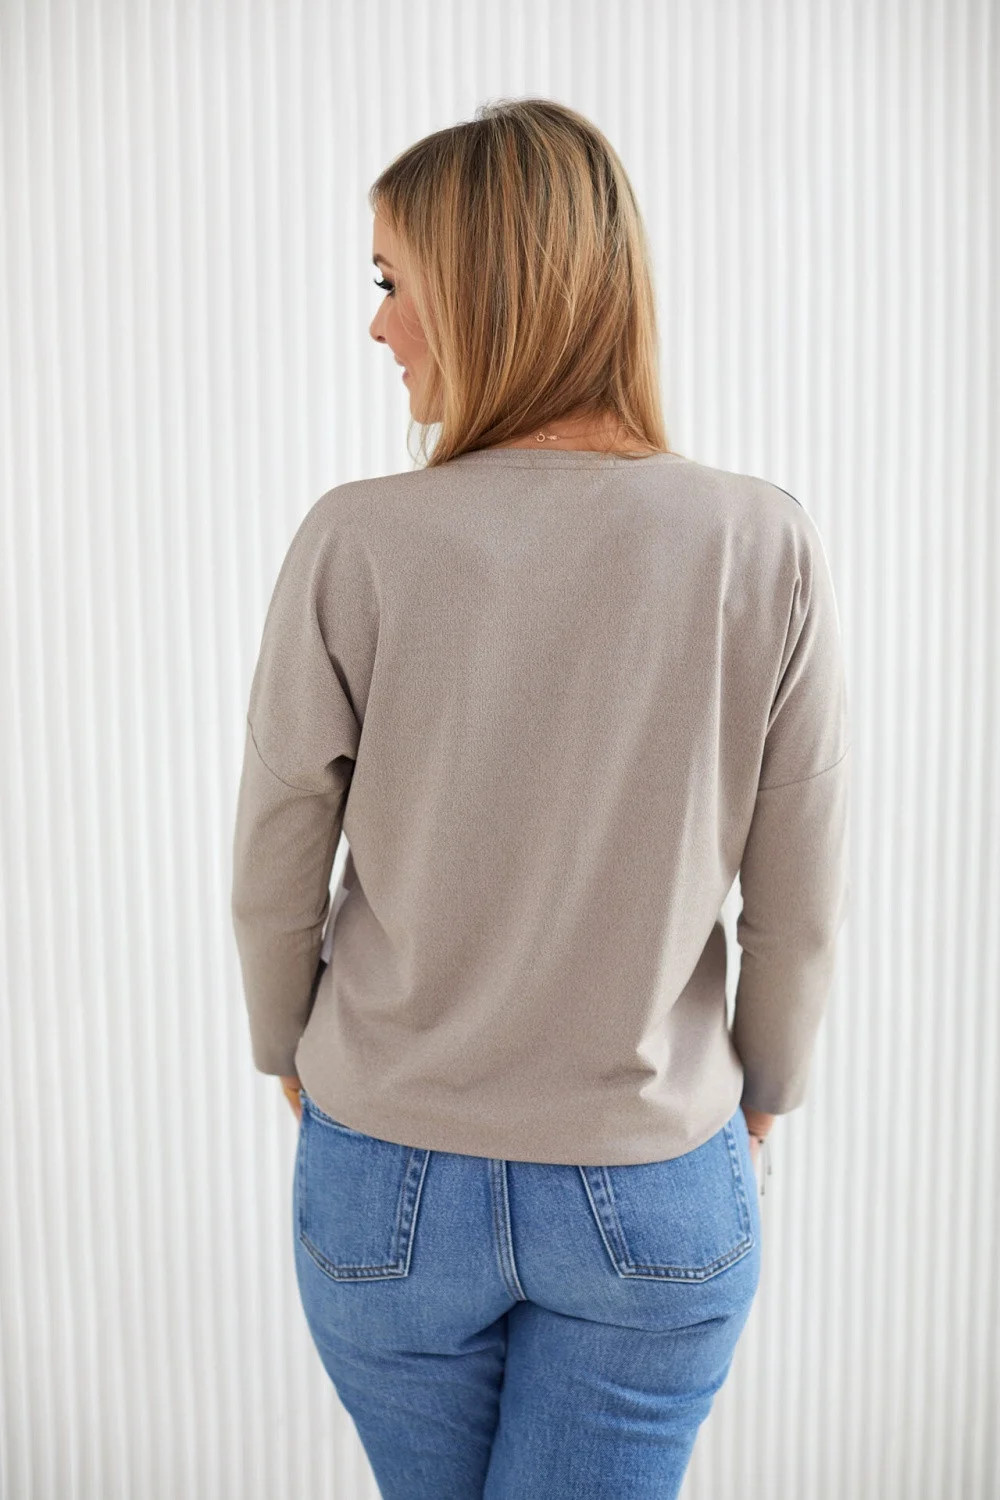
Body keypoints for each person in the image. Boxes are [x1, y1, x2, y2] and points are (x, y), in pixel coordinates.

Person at [230, 97, 850, 1500]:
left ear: (485, 290)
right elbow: (799, 902)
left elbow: (276, 857)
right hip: (653, 1177)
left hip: (385, 1178)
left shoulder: (355, 540)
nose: (378, 326)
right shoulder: (760, 542)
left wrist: (286, 1049)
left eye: (393, 281)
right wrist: (765, 1091)